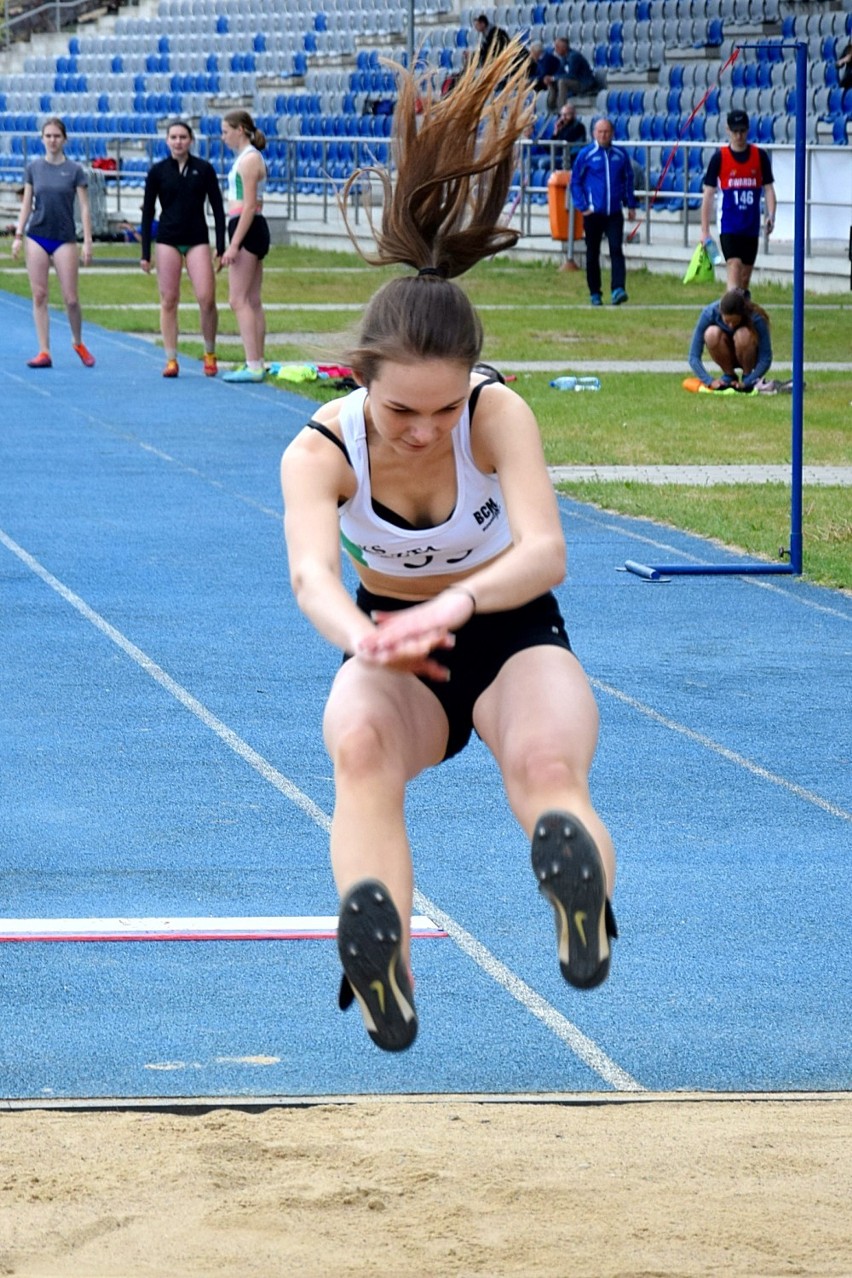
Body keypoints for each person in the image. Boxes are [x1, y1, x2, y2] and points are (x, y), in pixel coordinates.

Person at [280, 46, 618, 1054]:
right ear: (358, 382)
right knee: (360, 746)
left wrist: (454, 606)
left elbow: (546, 551)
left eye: (442, 408)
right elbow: (310, 574)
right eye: (399, 411)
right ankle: (381, 955)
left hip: (510, 629)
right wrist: (367, 635)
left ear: (471, 384)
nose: (424, 431)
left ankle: (581, 905)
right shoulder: (318, 446)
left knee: (548, 763)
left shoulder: (497, 413)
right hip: (389, 639)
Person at [140, 119, 226, 379]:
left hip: (197, 238)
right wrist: (145, 253)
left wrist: (220, 247)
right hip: (167, 238)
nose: (178, 142)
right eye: (173, 137)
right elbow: (147, 214)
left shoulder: (204, 169)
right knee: (169, 300)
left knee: (206, 298)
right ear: (167, 141)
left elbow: (218, 210)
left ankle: (209, 352)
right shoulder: (157, 171)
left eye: (183, 137)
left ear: (191, 140)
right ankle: (171, 358)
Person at [11, 117, 95, 369]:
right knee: (39, 294)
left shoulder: (74, 170)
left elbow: (84, 207)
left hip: (64, 237)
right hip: (37, 234)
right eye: (48, 136)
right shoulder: (34, 168)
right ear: (42, 139)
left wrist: (87, 240)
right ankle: (44, 350)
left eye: (56, 136)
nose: (52, 140)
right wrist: (18, 235)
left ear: (64, 139)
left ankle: (78, 341)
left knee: (70, 298)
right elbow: (27, 204)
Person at [700, 110, 776, 295]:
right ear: (728, 130)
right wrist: (705, 231)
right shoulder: (720, 158)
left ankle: (739, 314)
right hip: (729, 225)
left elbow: (769, 189)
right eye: (735, 131)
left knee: (744, 280)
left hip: (750, 226)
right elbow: (708, 195)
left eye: (742, 131)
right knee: (734, 265)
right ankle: (730, 316)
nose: (739, 135)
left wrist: (771, 216)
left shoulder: (759, 157)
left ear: (748, 130)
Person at [220, 109, 270, 384]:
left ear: (240, 129)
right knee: (251, 299)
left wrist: (234, 244)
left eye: (226, 131)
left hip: (247, 226)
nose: (223, 137)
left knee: (237, 299)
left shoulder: (249, 160)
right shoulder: (247, 158)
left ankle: (253, 363)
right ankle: (256, 361)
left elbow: (250, 204)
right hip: (248, 225)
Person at [570, 117, 637, 306]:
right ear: (594, 133)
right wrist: (582, 206)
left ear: (612, 133)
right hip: (593, 213)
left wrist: (630, 204)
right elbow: (575, 182)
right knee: (593, 252)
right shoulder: (586, 155)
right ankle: (595, 293)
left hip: (614, 212)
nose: (603, 135)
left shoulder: (620, 155)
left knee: (616, 249)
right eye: (600, 132)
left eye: (606, 132)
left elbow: (628, 179)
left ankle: (618, 288)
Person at [688, 287, 772, 390]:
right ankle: (729, 375)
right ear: (720, 312)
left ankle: (747, 375)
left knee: (743, 334)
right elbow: (693, 356)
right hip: (726, 352)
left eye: (735, 322)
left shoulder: (755, 317)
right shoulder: (709, 313)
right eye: (727, 322)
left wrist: (748, 382)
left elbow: (766, 358)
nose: (731, 326)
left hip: (749, 355)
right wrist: (709, 381)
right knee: (711, 333)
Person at [547, 35, 596, 112]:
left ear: (564, 48)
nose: (555, 49)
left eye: (557, 47)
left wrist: (554, 78)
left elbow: (572, 75)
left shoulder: (574, 56)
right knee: (553, 81)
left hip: (584, 83)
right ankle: (551, 106)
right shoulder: (564, 57)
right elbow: (560, 72)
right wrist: (552, 78)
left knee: (562, 82)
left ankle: (561, 110)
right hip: (575, 82)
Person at [553, 101, 587, 167]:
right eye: (562, 115)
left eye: (567, 115)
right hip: (556, 154)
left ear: (574, 115)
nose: (563, 118)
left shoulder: (578, 126)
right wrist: (556, 131)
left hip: (569, 156)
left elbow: (567, 140)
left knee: (543, 163)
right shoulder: (561, 126)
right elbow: (551, 145)